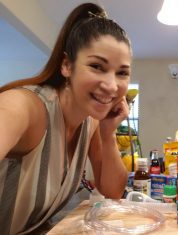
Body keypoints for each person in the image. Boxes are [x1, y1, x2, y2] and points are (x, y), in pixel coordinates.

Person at [0, 3, 131, 234]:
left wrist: (108, 132)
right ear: (67, 65)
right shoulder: (25, 107)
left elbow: (113, 192)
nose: (112, 86)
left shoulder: (91, 123)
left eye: (122, 72)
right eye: (97, 66)